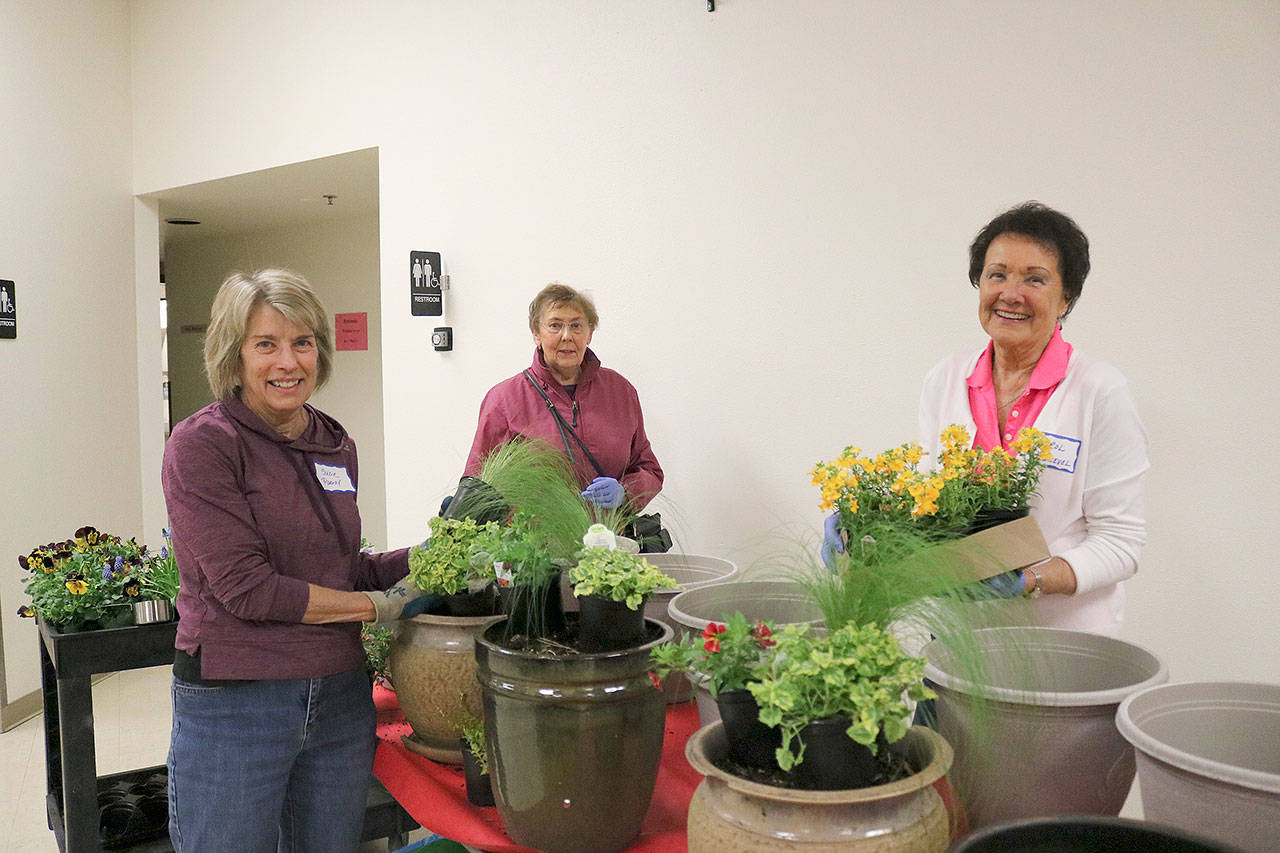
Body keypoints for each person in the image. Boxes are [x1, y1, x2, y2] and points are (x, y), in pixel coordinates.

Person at [161, 269, 433, 852]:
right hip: (238, 702)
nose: (288, 362)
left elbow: (344, 568)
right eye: (266, 344)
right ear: (234, 355)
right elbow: (247, 589)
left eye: (302, 342)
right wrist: (379, 607)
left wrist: (432, 558)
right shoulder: (204, 444)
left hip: (338, 698)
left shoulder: (334, 443)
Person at [825, 202, 1148, 636]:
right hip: (958, 637)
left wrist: (1028, 581)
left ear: (1066, 298)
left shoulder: (1099, 391)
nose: (1011, 294)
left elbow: (1120, 544)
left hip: (1061, 640)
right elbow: (933, 504)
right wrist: (865, 521)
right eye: (997, 275)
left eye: (1035, 279)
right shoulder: (945, 379)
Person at [464, 282, 663, 510]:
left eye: (576, 326)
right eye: (555, 325)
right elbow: (479, 481)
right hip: (532, 532)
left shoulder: (620, 391)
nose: (567, 336)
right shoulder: (504, 399)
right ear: (536, 334)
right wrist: (465, 508)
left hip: (608, 532)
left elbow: (649, 469)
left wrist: (626, 492)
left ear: (589, 334)